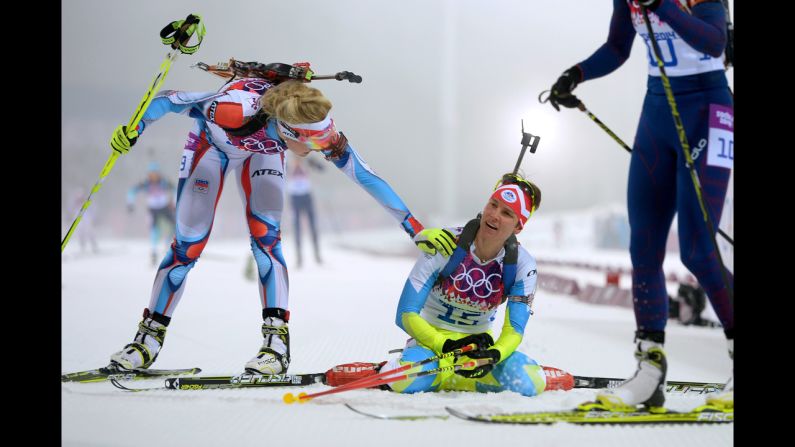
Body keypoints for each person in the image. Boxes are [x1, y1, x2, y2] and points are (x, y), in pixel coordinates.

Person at [105, 66, 455, 375]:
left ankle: (276, 345)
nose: (322, 147)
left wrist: (415, 228)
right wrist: (134, 129)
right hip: (211, 146)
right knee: (188, 246)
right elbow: (168, 99)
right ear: (291, 132)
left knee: (266, 241)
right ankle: (146, 340)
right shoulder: (232, 110)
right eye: (315, 141)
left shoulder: (313, 131)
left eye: (325, 137)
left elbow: (364, 175)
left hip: (261, 155)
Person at [545, 0, 733, 411]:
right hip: (657, 110)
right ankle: (649, 373)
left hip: (709, 108)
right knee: (643, 249)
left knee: (698, 252)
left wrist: (662, 4)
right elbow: (617, 47)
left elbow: (714, 43)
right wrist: (575, 75)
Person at [326, 174, 574, 396]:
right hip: (432, 347)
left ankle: (462, 377)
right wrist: (443, 345)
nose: (494, 215)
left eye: (507, 213)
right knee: (401, 380)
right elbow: (405, 314)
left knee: (530, 382)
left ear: (519, 226)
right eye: (493, 205)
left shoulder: (522, 264)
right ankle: (387, 371)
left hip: (477, 351)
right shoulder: (446, 244)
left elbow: (514, 331)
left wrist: (493, 355)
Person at [126, 162, 176, 265]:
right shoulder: (145, 182)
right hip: (152, 209)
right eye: (151, 174)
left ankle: (169, 245)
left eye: (155, 174)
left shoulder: (164, 181)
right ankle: (153, 252)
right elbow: (132, 191)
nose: (153, 176)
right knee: (154, 230)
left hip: (164, 207)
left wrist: (175, 203)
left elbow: (175, 189)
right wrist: (130, 203)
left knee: (175, 226)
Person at [286, 153, 324, 268]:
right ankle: (299, 258)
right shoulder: (287, 163)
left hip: (307, 196)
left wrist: (314, 164)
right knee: (297, 227)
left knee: (313, 226)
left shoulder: (306, 161)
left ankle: (317, 255)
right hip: (295, 197)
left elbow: (322, 169)